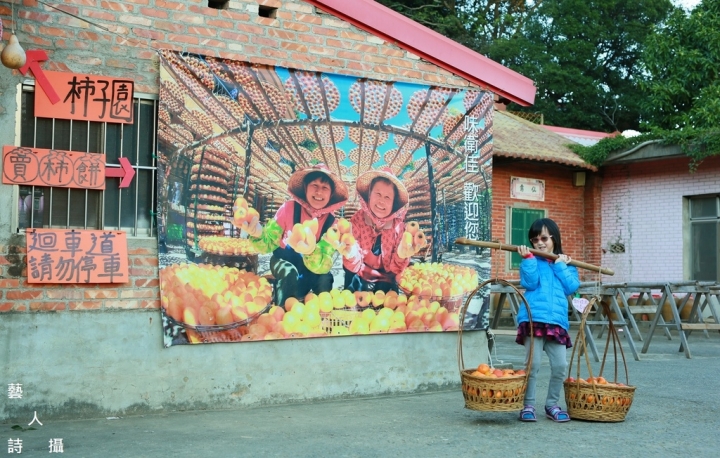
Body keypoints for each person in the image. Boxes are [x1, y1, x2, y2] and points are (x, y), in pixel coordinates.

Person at [239, 164, 349, 308]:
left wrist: (311, 252)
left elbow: (325, 262)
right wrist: (258, 233)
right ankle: (282, 314)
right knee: (289, 272)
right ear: (305, 188)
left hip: (312, 269)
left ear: (331, 195)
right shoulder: (288, 208)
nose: (319, 191)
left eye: (325, 188)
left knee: (325, 277)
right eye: (314, 185)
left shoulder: (332, 224)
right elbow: (269, 242)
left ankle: (320, 315)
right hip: (282, 260)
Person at [515, 218, 580, 423]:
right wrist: (528, 259)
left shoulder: (567, 264)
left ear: (554, 237)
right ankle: (528, 405)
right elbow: (530, 283)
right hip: (533, 319)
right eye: (535, 240)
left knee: (560, 366)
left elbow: (571, 287)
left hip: (557, 322)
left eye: (544, 238)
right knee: (532, 365)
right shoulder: (531, 260)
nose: (539, 243)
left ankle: (552, 405)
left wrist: (561, 265)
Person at [343, 168, 418, 294]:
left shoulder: (399, 227)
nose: (382, 200)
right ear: (369, 196)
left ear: (394, 203)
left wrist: (401, 255)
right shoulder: (358, 219)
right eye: (377, 194)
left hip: (385, 280)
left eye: (388, 197)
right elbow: (353, 262)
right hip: (359, 276)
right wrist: (350, 252)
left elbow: (395, 268)